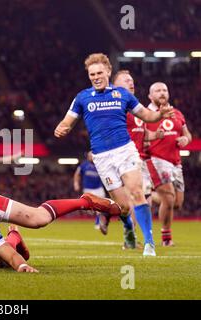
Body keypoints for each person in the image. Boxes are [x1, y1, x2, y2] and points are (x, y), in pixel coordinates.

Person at [54, 53, 174, 256]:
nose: (96, 77)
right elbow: (67, 121)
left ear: (108, 71)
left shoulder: (123, 95)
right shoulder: (82, 97)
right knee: (123, 206)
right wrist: (61, 128)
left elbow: (147, 115)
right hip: (102, 158)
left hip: (125, 150)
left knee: (137, 192)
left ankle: (149, 243)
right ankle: (128, 228)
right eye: (92, 74)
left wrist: (159, 115)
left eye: (99, 72)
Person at [112, 70, 165, 249]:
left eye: (132, 80)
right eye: (127, 80)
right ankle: (129, 232)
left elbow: (141, 133)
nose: (131, 82)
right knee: (130, 201)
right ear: (117, 86)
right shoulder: (116, 109)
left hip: (139, 159)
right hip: (123, 159)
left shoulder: (136, 108)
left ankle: (138, 237)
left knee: (142, 199)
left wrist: (154, 134)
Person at [146, 82, 192, 246]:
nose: (162, 93)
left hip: (175, 163)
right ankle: (166, 238)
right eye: (157, 90)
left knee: (177, 203)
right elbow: (139, 135)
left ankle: (148, 195)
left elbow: (187, 135)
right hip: (156, 159)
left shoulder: (177, 113)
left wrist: (185, 139)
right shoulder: (146, 114)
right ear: (150, 96)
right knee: (169, 197)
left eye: (165, 90)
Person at [73, 152, 107, 229]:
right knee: (90, 207)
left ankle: (98, 221)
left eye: (91, 156)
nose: (90, 157)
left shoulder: (100, 165)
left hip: (98, 188)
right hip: (88, 189)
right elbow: (77, 174)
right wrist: (76, 183)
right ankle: (94, 217)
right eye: (89, 156)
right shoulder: (84, 165)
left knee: (100, 206)